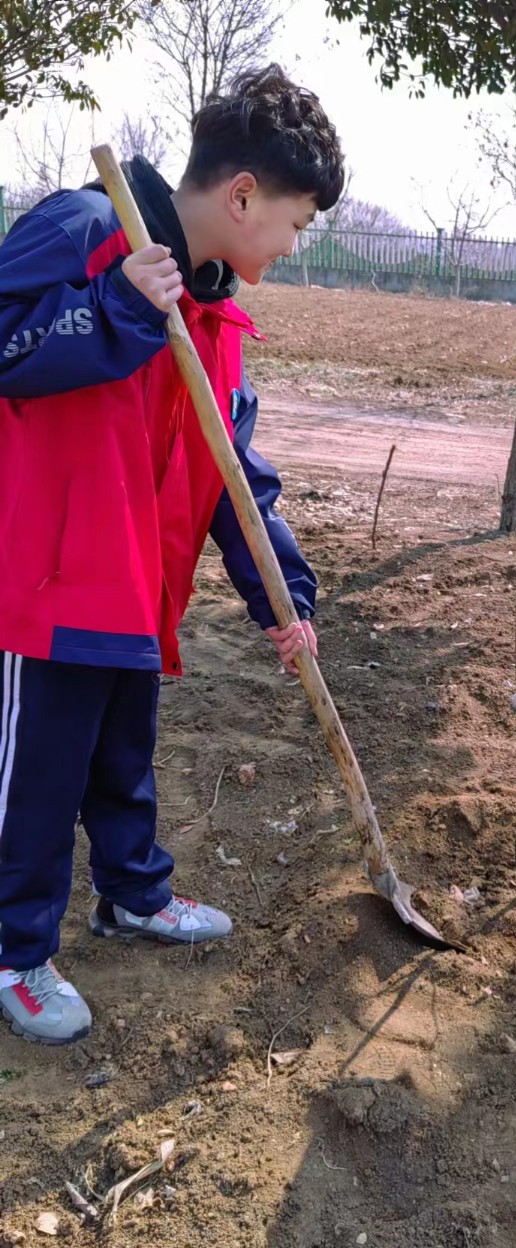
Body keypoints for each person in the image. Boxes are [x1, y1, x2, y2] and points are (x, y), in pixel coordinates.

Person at [0, 65, 344, 1045]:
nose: (289, 244)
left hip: (140, 584)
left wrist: (284, 586)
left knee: (122, 755)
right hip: (51, 578)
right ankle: (17, 951)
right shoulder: (85, 233)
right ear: (243, 195)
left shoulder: (212, 303)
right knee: (36, 778)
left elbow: (231, 467)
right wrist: (108, 304)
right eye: (295, 221)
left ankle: (131, 893)